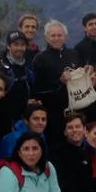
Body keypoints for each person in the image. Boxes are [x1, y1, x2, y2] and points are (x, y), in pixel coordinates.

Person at [32, 20, 85, 148]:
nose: (56, 38)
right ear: (46, 38)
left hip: (75, 111)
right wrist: (59, 82)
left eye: (59, 35)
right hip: (53, 114)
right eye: (53, 35)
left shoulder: (74, 54)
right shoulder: (40, 59)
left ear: (65, 37)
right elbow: (38, 90)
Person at [0, 31, 34, 121]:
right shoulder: (1, 66)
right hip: (4, 116)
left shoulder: (27, 64)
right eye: (16, 44)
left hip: (23, 116)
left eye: (22, 45)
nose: (19, 48)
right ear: (8, 46)